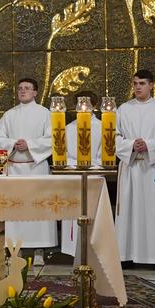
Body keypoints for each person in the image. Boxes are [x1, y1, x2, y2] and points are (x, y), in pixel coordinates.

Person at [0, 77, 56, 258]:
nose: (22, 91)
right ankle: (15, 248)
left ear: (35, 92)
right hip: (14, 169)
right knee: (15, 208)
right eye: (20, 88)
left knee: (38, 207)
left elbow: (52, 138)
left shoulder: (45, 114)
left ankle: (40, 249)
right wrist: (13, 144)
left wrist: (30, 145)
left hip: (36, 168)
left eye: (27, 88)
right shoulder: (9, 114)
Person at [115, 70, 155, 267]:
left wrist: (148, 145)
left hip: (152, 167)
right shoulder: (123, 109)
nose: (138, 87)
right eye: (135, 83)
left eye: (142, 83)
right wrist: (131, 145)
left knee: (153, 212)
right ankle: (125, 256)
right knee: (128, 212)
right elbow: (113, 136)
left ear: (152, 85)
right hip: (130, 166)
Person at [59, 91, 100, 256]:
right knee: (72, 212)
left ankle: (93, 249)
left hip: (94, 176)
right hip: (73, 175)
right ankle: (72, 250)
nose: (82, 106)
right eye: (79, 103)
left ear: (94, 106)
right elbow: (62, 153)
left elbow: (104, 154)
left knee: (93, 213)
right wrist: (74, 165)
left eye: (86, 103)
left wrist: (90, 164)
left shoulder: (102, 127)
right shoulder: (68, 128)